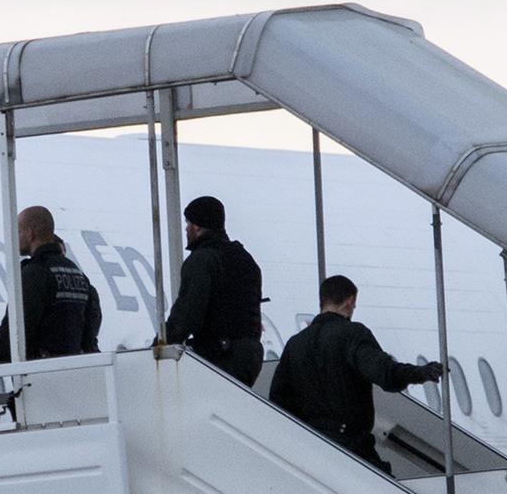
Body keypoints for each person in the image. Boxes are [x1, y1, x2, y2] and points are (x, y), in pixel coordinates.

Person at [267, 276, 443, 473]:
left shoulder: (295, 344)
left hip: (311, 447)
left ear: (323, 300)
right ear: (350, 301)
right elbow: (386, 374)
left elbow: (279, 398)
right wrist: (421, 373)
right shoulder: (352, 334)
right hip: (350, 446)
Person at [164, 194, 264, 384]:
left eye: (188, 222)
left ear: (198, 225)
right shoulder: (246, 259)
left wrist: (162, 344)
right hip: (251, 356)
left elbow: (188, 312)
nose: (186, 228)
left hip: (220, 356)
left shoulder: (202, 260)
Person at [0, 206, 102, 363]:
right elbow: (90, 332)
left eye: (19, 232)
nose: (15, 238)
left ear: (30, 233)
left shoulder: (35, 273)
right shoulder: (78, 275)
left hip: (40, 374)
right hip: (74, 371)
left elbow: (13, 332)